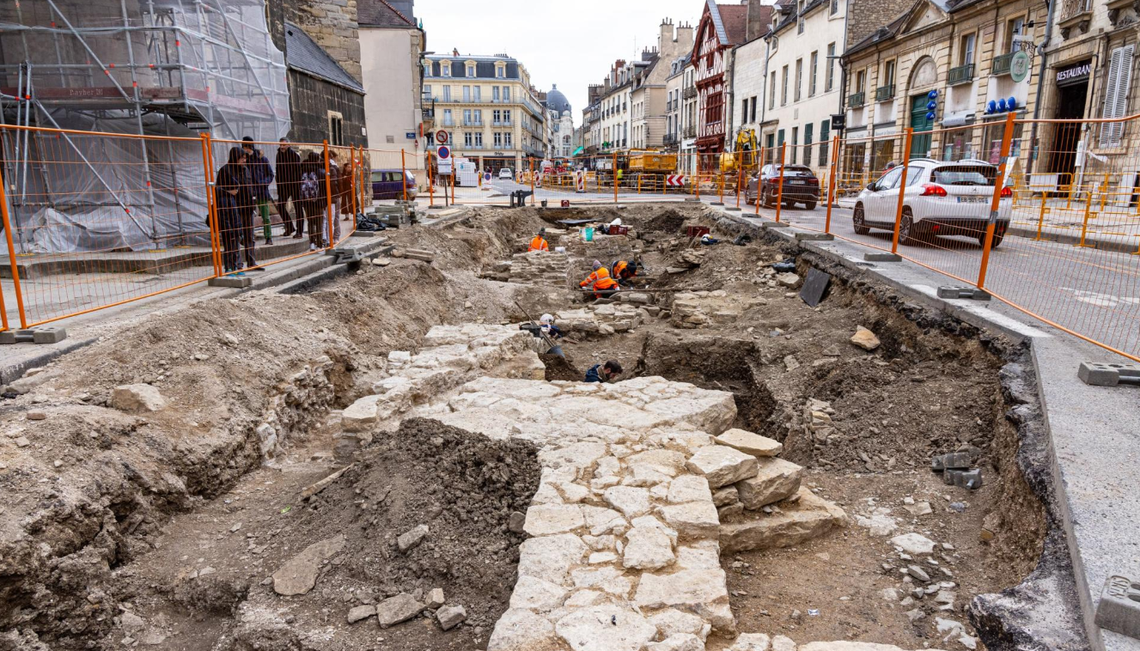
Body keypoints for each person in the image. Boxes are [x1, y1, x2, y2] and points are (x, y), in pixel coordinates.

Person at [214, 147, 249, 276]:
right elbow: (217, 189)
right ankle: (229, 267)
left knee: (237, 239)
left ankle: (238, 266)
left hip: (241, 207)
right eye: (242, 158)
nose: (244, 161)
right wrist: (228, 192)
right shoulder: (225, 171)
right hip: (228, 209)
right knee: (229, 241)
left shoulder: (244, 170)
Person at [243, 137, 275, 246]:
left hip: (261, 191)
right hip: (248, 192)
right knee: (247, 216)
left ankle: (268, 237)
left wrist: (262, 183)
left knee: (265, 216)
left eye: (245, 147)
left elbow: (270, 174)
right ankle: (247, 237)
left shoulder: (262, 159)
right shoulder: (244, 160)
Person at [275, 139, 302, 238]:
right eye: (281, 145)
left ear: (288, 145)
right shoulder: (278, 155)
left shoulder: (294, 155)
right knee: (280, 206)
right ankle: (289, 227)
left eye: (284, 145)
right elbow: (278, 170)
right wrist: (279, 184)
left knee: (298, 208)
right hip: (283, 186)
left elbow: (298, 172)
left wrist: (297, 185)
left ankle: (299, 231)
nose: (282, 147)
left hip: (294, 185)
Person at [300, 152, 327, 250]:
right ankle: (319, 244)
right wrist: (325, 202)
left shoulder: (302, 170)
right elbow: (324, 188)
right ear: (317, 159)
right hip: (318, 201)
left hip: (307, 201)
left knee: (310, 222)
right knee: (319, 222)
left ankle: (312, 243)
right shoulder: (321, 171)